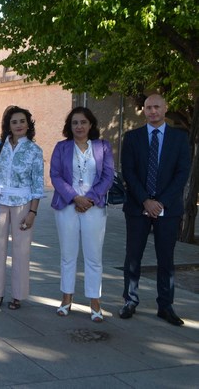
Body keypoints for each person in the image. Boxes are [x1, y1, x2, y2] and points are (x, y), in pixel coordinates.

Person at [119, 94, 190, 326]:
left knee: (166, 258)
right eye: (148, 107)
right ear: (144, 111)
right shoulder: (132, 137)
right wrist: (145, 201)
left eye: (157, 107)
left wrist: (161, 202)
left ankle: (165, 306)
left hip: (167, 210)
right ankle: (130, 300)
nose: (153, 111)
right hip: (138, 207)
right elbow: (128, 171)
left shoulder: (180, 138)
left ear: (165, 108)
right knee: (133, 257)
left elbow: (182, 174)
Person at [50, 107, 114, 322]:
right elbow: (55, 175)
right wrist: (75, 197)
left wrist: (90, 198)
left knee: (94, 256)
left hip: (94, 207)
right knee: (68, 255)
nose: (79, 126)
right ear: (70, 126)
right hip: (68, 206)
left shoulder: (103, 147)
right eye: (75, 123)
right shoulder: (61, 147)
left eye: (83, 122)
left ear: (91, 125)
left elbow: (108, 176)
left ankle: (95, 301)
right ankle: (66, 298)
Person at [0, 106, 44, 310]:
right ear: (8, 126)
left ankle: (18, 295)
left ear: (28, 124)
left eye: (22, 121)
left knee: (21, 250)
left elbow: (38, 184)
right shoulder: (0, 145)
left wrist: (32, 212)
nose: (18, 125)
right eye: (14, 122)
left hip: (23, 204)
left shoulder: (35, 150)